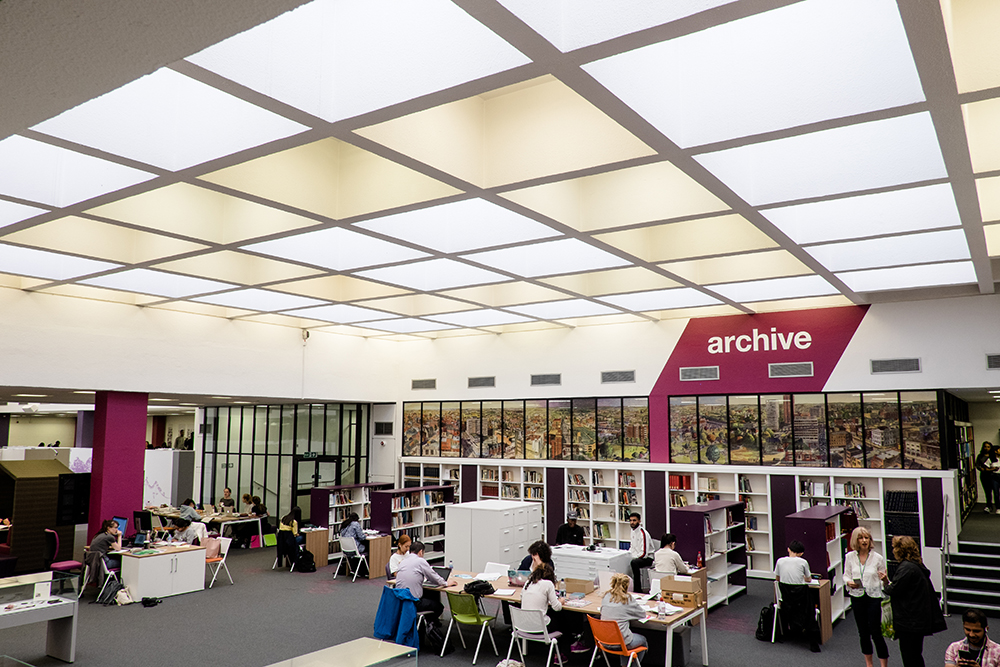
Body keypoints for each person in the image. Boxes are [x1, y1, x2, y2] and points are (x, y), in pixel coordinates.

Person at [880, 536, 946, 667]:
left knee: (909, 655)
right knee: (915, 654)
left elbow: (894, 590)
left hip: (909, 621)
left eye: (894, 548)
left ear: (900, 550)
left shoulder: (906, 568)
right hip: (918, 619)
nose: (893, 551)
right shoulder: (917, 565)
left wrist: (886, 584)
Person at [843, 527, 889, 667]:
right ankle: (869, 664)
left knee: (876, 632)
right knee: (863, 632)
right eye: (861, 538)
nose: (864, 541)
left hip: (873, 597)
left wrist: (885, 580)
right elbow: (846, 575)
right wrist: (848, 582)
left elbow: (885, 581)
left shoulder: (878, 558)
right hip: (857, 596)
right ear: (855, 540)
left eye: (866, 538)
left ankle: (883, 664)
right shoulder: (849, 557)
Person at [774, 540, 821, 652]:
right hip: (801, 602)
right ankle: (813, 641)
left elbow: (777, 579)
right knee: (811, 607)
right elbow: (808, 579)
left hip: (786, 601)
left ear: (788, 549)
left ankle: (788, 631)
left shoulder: (780, 561)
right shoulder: (803, 562)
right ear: (801, 553)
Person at [520, 562, 571, 662]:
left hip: (524, 626)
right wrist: (561, 601)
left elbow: (522, 598)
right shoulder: (548, 584)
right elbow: (557, 607)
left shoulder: (528, 583)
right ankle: (560, 654)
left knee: (551, 616)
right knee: (562, 621)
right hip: (540, 627)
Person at [393, 540, 454, 623]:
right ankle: (427, 624)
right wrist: (446, 583)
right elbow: (433, 576)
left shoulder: (403, 562)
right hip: (413, 601)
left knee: (430, 593)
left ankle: (426, 623)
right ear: (421, 552)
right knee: (439, 607)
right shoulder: (420, 561)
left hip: (400, 600)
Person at [600, 572, 648, 665]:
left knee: (625, 637)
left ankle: (625, 665)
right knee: (642, 641)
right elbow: (642, 614)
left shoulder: (606, 596)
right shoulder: (627, 599)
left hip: (604, 641)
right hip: (621, 643)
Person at [628, 513, 654, 591]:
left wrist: (633, 557)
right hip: (637, 556)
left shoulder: (643, 533)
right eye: (630, 520)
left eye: (634, 520)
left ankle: (637, 589)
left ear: (639, 521)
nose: (632, 522)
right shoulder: (632, 531)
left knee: (634, 563)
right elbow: (632, 547)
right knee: (624, 559)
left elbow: (644, 553)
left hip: (647, 558)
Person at [976, 442, 999, 513]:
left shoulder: (993, 456)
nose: (986, 448)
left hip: (993, 475)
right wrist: (987, 469)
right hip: (984, 475)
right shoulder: (980, 456)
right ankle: (989, 506)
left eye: (988, 447)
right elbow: (978, 466)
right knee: (987, 492)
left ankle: (997, 507)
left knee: (996, 491)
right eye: (985, 447)